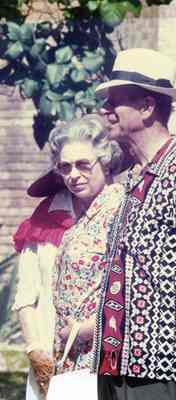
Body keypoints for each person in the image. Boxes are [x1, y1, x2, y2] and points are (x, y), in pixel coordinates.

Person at [13, 114, 124, 399]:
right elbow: (26, 294)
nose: (74, 175)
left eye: (84, 165)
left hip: (105, 354)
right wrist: (35, 349)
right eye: (65, 167)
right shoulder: (46, 215)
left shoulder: (123, 210)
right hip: (50, 354)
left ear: (106, 161)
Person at [92, 48, 176, 400]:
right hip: (115, 364)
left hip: (160, 366)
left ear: (146, 107)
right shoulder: (134, 178)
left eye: (115, 101)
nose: (104, 110)